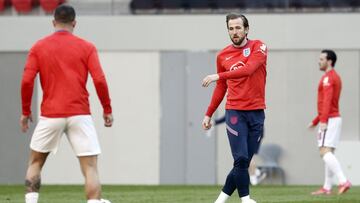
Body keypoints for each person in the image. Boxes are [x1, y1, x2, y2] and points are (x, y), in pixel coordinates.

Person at [20, 4, 113, 203]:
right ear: (74, 23)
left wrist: (25, 111)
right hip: (80, 113)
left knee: (35, 161)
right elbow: (99, 79)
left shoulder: (38, 47)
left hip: (50, 114)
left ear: (53, 22)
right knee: (90, 167)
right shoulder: (87, 47)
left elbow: (27, 81)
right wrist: (107, 109)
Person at [202, 13, 267, 203]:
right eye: (231, 28)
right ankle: (245, 199)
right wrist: (208, 113)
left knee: (244, 161)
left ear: (246, 29)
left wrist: (218, 75)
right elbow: (221, 88)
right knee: (240, 159)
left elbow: (249, 70)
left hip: (256, 112)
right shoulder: (222, 55)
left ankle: (220, 200)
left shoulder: (259, 46)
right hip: (235, 112)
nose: (234, 32)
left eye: (238, 27)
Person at [308, 50, 351, 195]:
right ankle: (327, 187)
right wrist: (316, 120)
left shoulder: (329, 78)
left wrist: (323, 120)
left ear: (329, 61)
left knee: (324, 151)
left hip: (330, 119)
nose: (319, 61)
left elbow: (327, 101)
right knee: (329, 152)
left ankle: (343, 181)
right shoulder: (331, 77)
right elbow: (327, 103)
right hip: (331, 118)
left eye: (321, 59)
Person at [210, 115, 266, 186]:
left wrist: (215, 122)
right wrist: (215, 122)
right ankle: (256, 173)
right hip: (252, 132)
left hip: (254, 132)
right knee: (247, 155)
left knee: (248, 155)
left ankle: (254, 176)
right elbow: (229, 116)